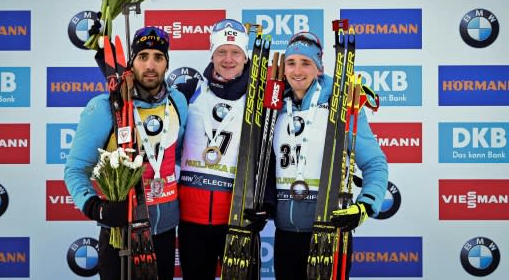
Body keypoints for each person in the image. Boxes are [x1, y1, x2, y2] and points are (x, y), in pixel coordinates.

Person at [64, 27, 188, 280]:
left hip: (164, 231)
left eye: (158, 57)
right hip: (121, 233)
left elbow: (174, 155)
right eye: (143, 57)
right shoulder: (104, 107)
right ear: (132, 62)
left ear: (167, 64)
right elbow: (76, 169)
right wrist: (96, 207)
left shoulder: (178, 102)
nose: (150, 65)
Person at [270, 31, 388, 280]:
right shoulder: (276, 106)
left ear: (319, 68)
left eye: (306, 63)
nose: (297, 70)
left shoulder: (341, 103)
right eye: (291, 63)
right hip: (285, 234)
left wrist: (366, 205)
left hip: (329, 232)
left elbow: (375, 163)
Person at [175, 19, 272, 280]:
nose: (228, 59)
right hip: (191, 219)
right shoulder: (189, 91)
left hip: (238, 217)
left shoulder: (258, 97)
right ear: (212, 54)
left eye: (235, 52)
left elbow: (270, 155)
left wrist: (268, 204)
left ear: (245, 56)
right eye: (221, 52)